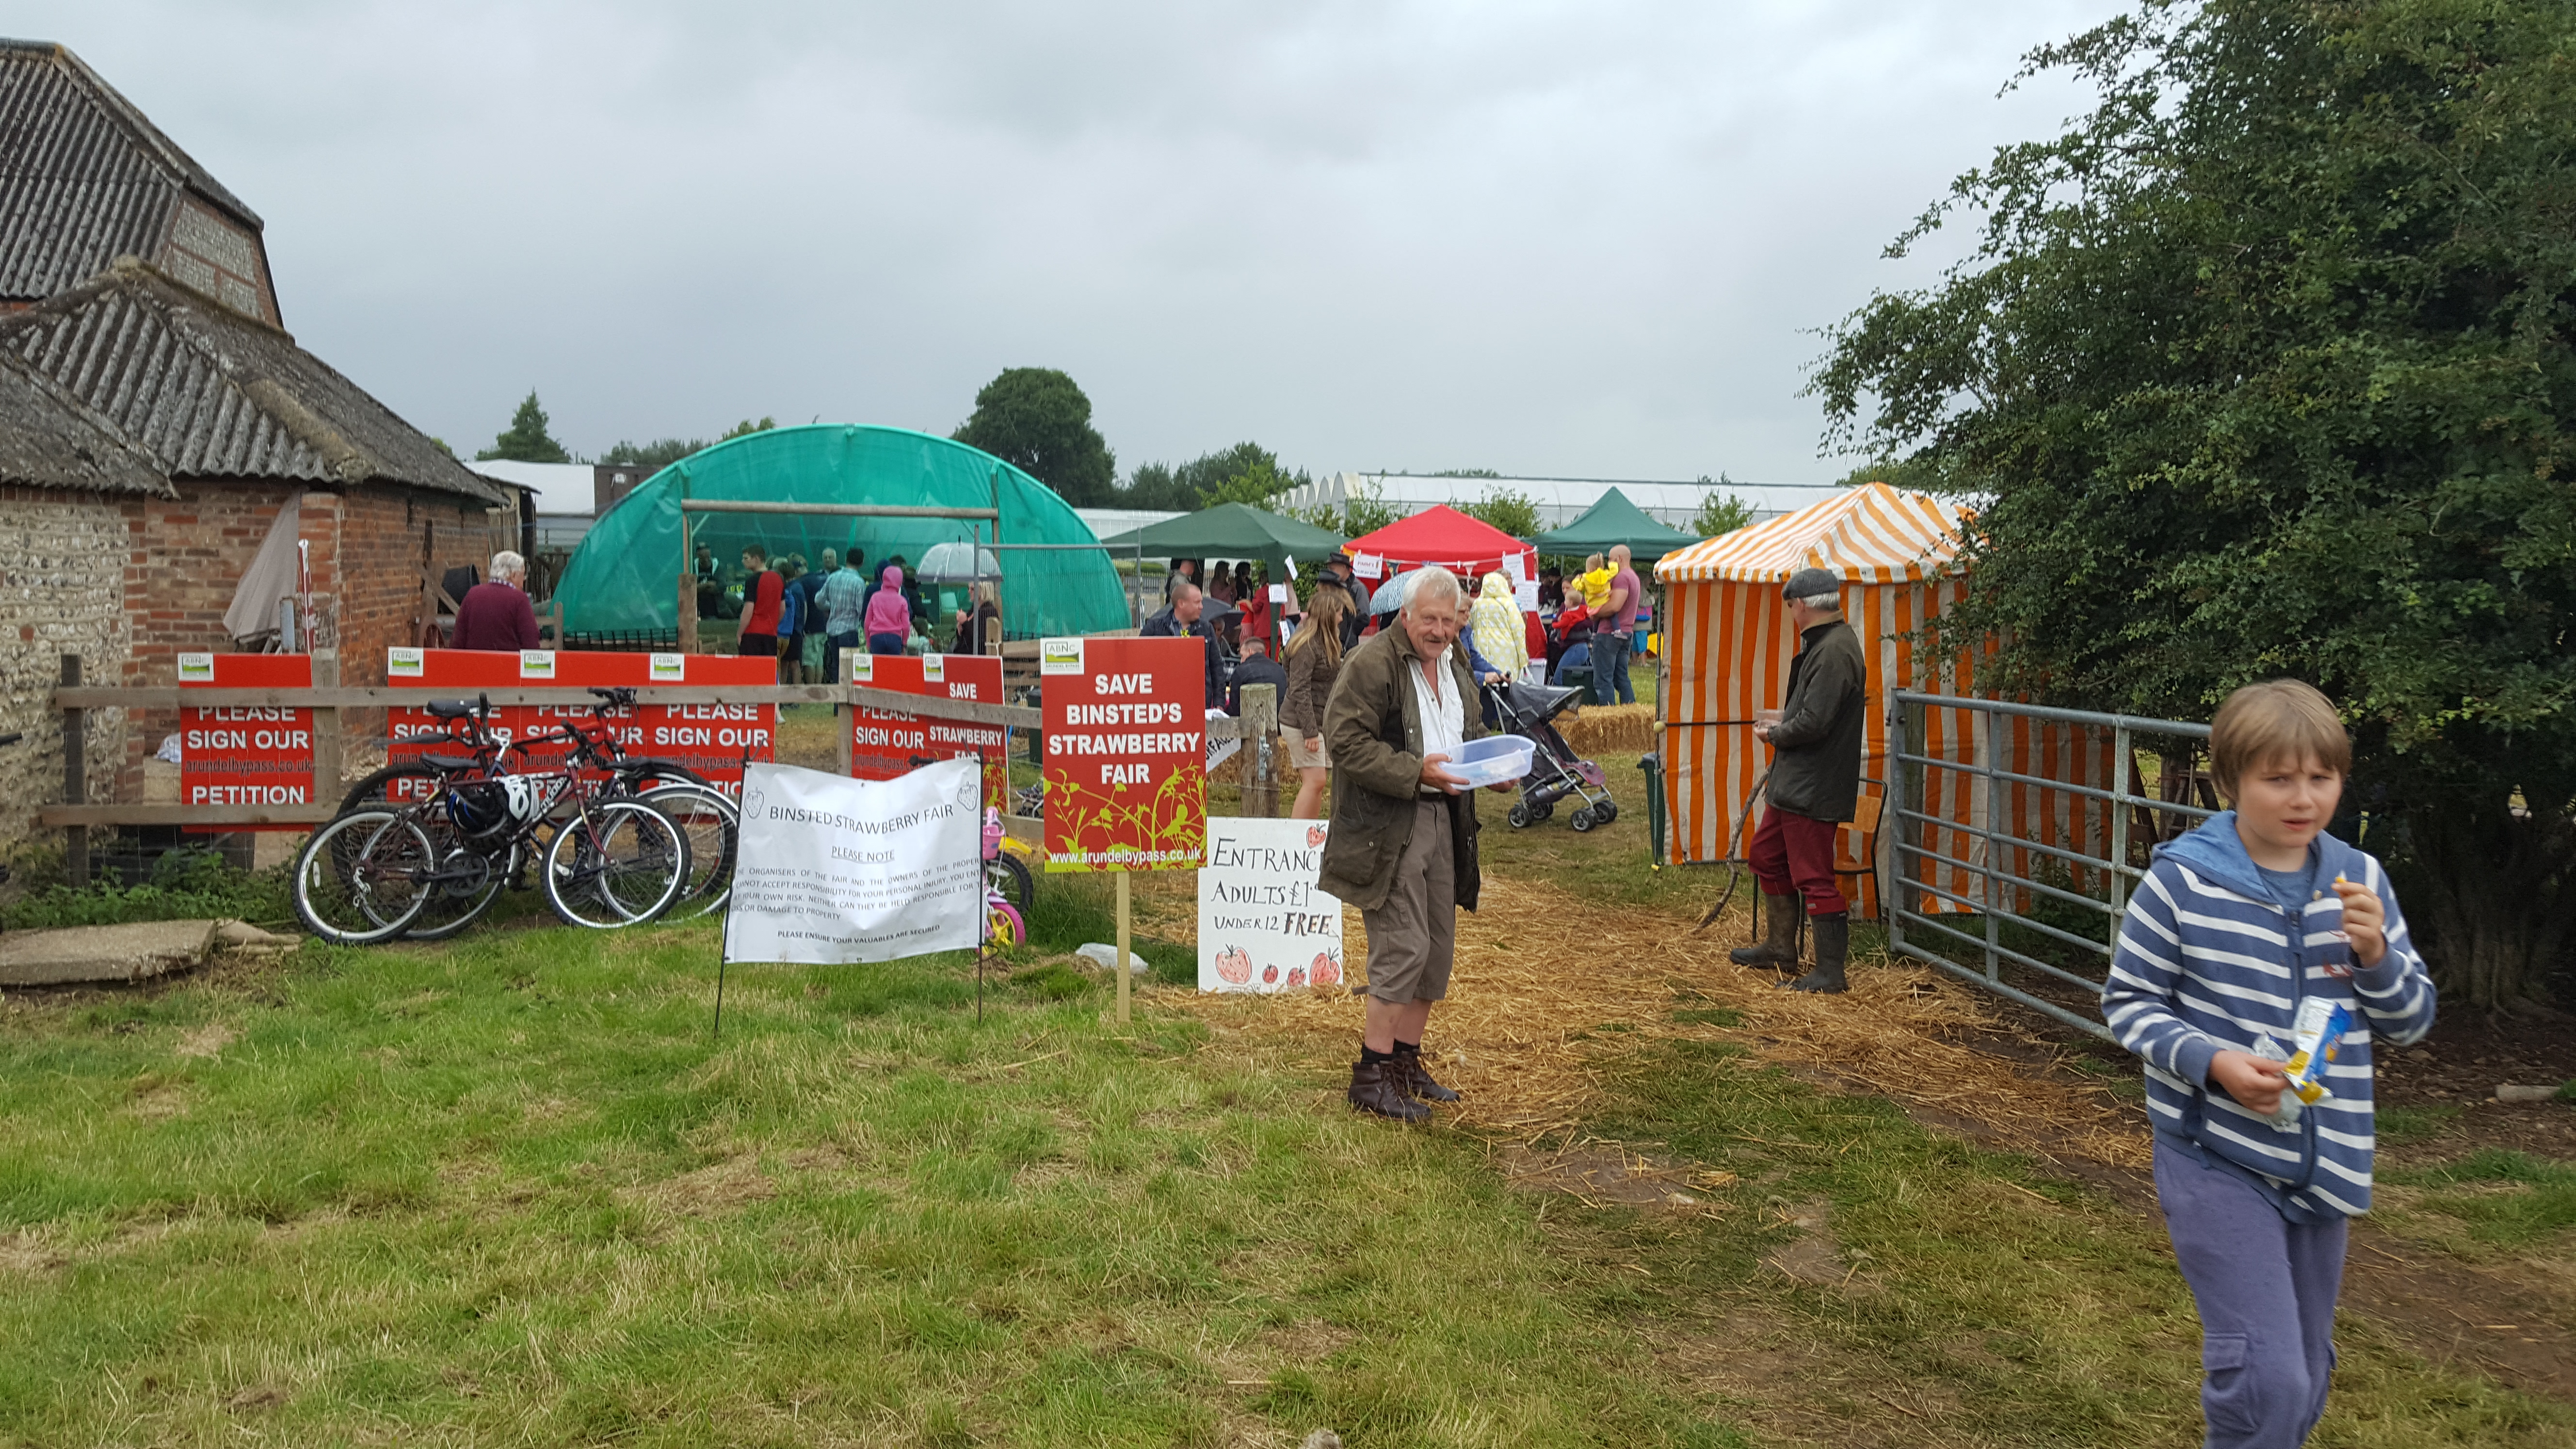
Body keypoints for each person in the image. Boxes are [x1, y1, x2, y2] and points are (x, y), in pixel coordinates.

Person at [2100, 680, 2435, 1449]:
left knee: (2307, 1374)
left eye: (2321, 778)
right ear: (2231, 782)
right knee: (2268, 1374)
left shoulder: (2362, 883)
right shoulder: (2182, 883)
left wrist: (2377, 955)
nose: (2303, 798)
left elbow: (2411, 1022)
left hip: (2327, 1166)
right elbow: (2129, 1003)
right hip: (2216, 1158)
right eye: (2278, 779)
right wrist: (2214, 1062)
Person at [1316, 567, 1509, 1122]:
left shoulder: (1455, 662)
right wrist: (1414, 772)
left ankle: (1404, 1063)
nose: (1439, 630)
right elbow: (1344, 741)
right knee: (1402, 946)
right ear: (1406, 613)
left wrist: (1489, 767)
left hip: (1445, 816)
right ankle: (1370, 1075)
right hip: (1389, 823)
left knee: (1435, 949)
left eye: (1449, 622)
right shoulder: (1373, 661)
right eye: (1429, 619)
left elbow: (1463, 733)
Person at [1730, 567, 1865, 993]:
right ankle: (1781, 949)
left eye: (1790, 606)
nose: (1791, 613)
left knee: (1813, 875)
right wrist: (1784, 718)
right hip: (1797, 784)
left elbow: (1817, 723)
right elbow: (1812, 713)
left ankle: (1830, 973)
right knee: (1767, 857)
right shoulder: (1828, 645)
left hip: (1814, 786)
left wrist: (1776, 732)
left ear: (1801, 605)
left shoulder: (1834, 650)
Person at [1279, 582, 1352, 820]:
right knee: (1315, 780)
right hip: (1300, 721)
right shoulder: (1307, 646)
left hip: (1318, 720)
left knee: (1318, 783)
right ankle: (1294, 837)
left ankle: (1305, 834)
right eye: (1340, 613)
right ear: (1329, 615)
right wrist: (1310, 731)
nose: (1342, 619)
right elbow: (1299, 688)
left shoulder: (1325, 643)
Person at [1141, 580, 1229, 709]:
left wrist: (1219, 702)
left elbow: (1216, 665)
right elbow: (1139, 663)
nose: (1201, 607)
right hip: (1162, 702)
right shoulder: (1154, 627)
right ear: (1181, 604)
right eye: (1197, 602)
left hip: (1198, 700)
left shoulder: (1206, 628)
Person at [452, 551, 540, 651]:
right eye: (523, 576)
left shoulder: (473, 594)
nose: (523, 584)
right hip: (508, 664)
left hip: (474, 663)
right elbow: (531, 640)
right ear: (514, 575)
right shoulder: (519, 599)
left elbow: (458, 638)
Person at [1592, 544, 1643, 706]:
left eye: (1611, 559)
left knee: (1603, 680)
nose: (1609, 563)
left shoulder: (1621, 577)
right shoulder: (1634, 577)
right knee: (1621, 677)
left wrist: (1594, 612)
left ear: (1620, 559)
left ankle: (1607, 715)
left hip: (1609, 633)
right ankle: (1630, 710)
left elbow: (1615, 606)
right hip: (1626, 632)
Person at [1469, 571, 1529, 682]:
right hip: (1505, 651)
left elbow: (1470, 625)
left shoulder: (1478, 604)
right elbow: (1518, 631)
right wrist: (1523, 660)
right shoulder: (1509, 603)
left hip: (1481, 649)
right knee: (1507, 682)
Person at [820, 554, 868, 680]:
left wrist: (830, 607)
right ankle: (848, 697)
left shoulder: (833, 577)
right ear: (862, 563)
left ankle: (837, 698)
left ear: (846, 560)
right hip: (849, 631)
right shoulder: (859, 582)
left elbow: (818, 600)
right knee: (849, 666)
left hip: (832, 630)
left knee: (836, 665)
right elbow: (860, 608)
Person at [793, 548, 837, 681]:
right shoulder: (820, 579)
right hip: (824, 626)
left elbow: (803, 607)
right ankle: (818, 687)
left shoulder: (802, 583)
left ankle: (811, 688)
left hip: (810, 627)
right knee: (819, 658)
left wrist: (802, 627)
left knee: (809, 659)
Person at [1223, 628, 1286, 719]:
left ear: (1250, 651)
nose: (1241, 660)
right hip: (1277, 721)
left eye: (1242, 656)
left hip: (1249, 722)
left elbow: (1234, 708)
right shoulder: (1279, 669)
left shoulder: (1241, 671)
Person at [736, 546, 784, 659]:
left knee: (750, 672)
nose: (743, 562)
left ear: (756, 559)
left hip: (752, 634)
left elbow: (749, 609)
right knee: (767, 673)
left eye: (746, 558)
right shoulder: (779, 579)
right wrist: (772, 623)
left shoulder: (752, 580)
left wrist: (739, 633)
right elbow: (782, 609)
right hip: (771, 634)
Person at [863, 563, 911, 656]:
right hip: (895, 639)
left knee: (877, 669)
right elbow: (906, 626)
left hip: (876, 638)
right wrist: (904, 644)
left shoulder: (875, 597)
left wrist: (868, 642)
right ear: (900, 582)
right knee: (893, 669)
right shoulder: (902, 601)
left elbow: (867, 622)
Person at [951, 580, 1001, 656]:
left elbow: (979, 641)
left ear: (983, 590)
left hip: (978, 658)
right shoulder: (973, 610)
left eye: (973, 589)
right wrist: (960, 630)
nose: (969, 591)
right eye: (969, 588)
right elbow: (965, 639)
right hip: (964, 656)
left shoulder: (989, 611)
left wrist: (965, 623)